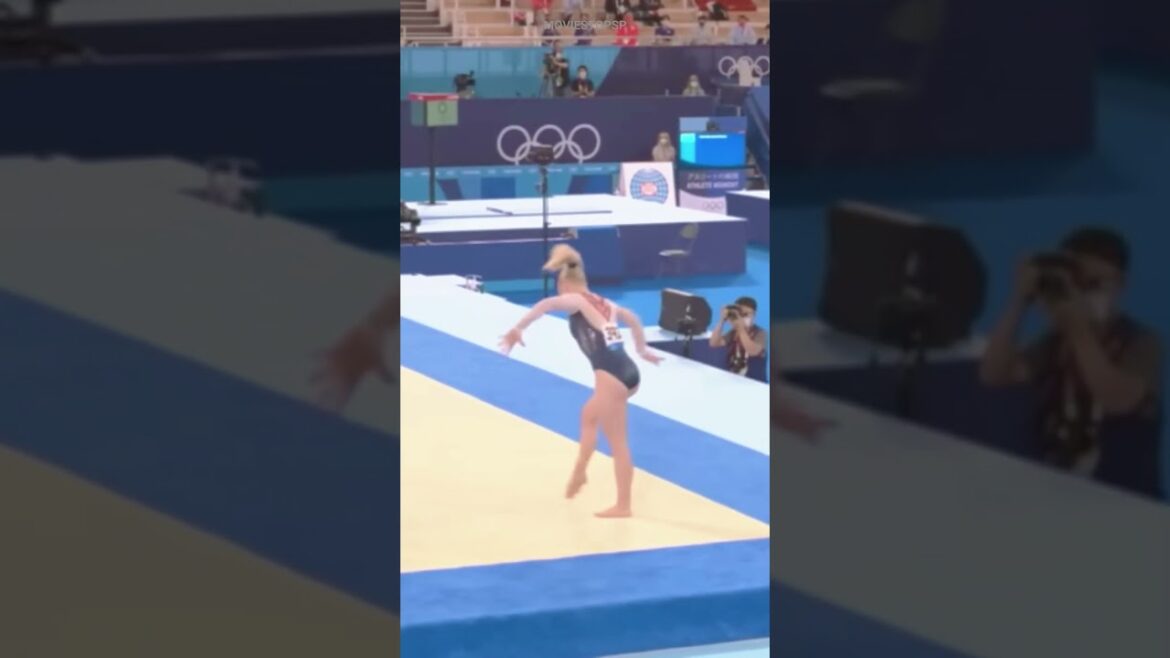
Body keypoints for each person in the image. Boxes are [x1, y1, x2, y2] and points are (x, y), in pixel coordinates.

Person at [979, 227, 1163, 496]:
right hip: (1057, 488)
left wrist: (1078, 331)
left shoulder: (1144, 342)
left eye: (1094, 284)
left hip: (1125, 501)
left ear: (1120, 284)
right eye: (1077, 284)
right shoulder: (1056, 341)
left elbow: (1117, 399)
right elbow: (993, 373)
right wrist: (1019, 301)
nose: (1083, 295)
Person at [500, 245, 663, 518]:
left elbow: (545, 305)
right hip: (628, 371)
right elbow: (632, 318)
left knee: (618, 442)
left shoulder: (576, 300)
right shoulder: (605, 302)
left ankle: (623, 505)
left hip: (611, 375)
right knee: (588, 416)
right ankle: (580, 473)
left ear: (564, 283)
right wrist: (642, 349)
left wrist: (518, 328)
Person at [312, 292, 399, 411]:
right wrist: (385, 374)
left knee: (332, 399)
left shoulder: (374, 333)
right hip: (343, 371)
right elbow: (374, 356)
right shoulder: (370, 332)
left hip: (348, 374)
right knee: (331, 397)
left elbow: (374, 356)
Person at [709, 297, 767, 377]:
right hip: (734, 379)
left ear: (754, 315)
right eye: (740, 314)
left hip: (755, 383)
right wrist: (722, 320)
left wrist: (740, 328)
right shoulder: (733, 332)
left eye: (746, 314)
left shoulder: (761, 333)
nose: (742, 317)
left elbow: (753, 351)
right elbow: (714, 343)